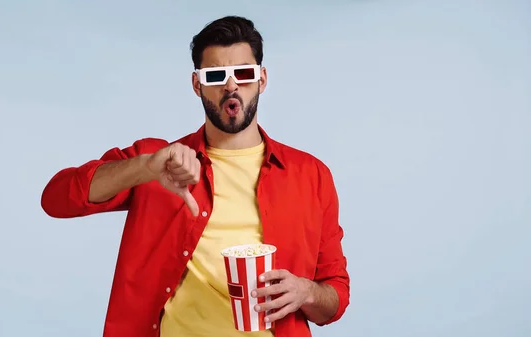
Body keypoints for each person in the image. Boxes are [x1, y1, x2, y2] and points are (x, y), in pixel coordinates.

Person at [41, 15, 350, 337]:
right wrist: (144, 167)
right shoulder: (158, 161)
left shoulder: (311, 175)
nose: (231, 86)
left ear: (262, 79)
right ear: (197, 84)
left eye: (243, 74)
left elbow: (335, 297)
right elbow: (57, 200)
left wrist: (307, 292)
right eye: (216, 75)